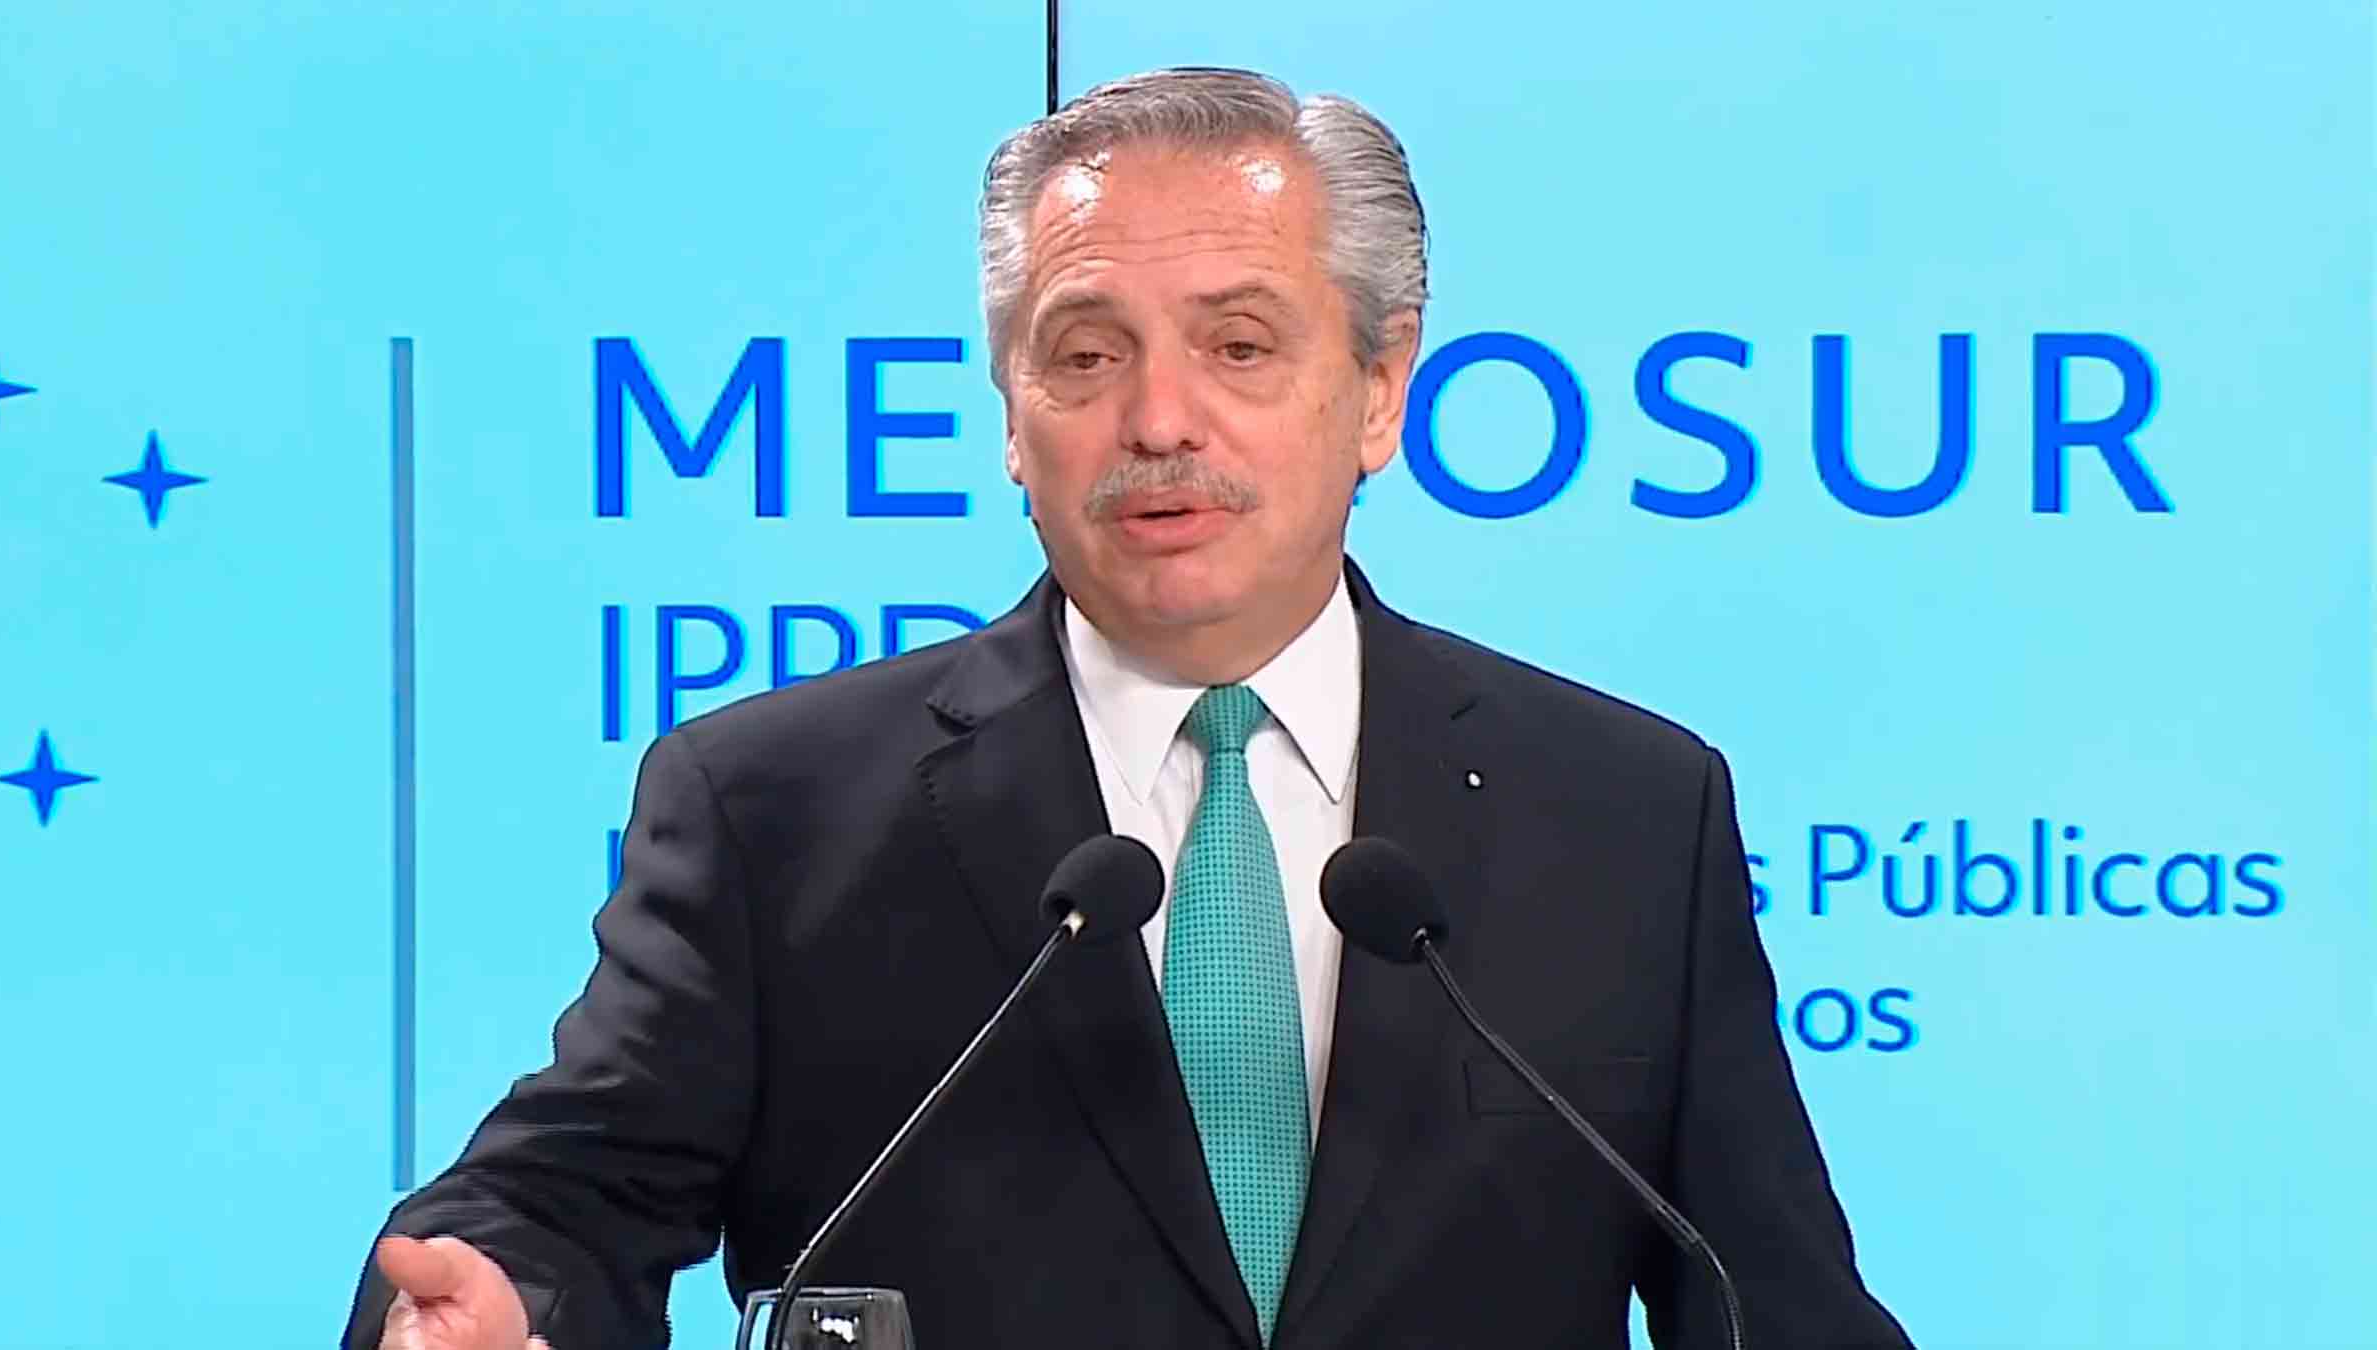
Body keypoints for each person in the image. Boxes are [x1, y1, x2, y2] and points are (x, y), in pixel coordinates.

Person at [345, 67, 1915, 1350]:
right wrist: (487, 1310)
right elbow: (553, 1204)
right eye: (1086, 356)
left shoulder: (1625, 813)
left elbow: (1772, 1302)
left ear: (1379, 391)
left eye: (1240, 345)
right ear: (1010, 415)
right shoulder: (777, 812)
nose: (1160, 419)